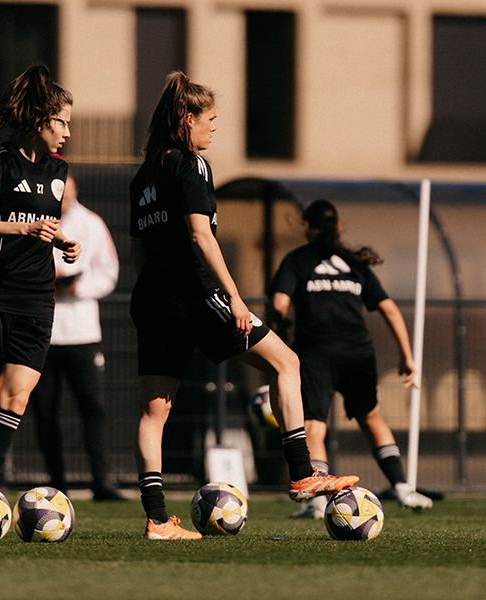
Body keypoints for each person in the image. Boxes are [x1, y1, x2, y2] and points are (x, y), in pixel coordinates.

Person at [129, 71, 358, 540]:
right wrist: (233, 296)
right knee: (286, 362)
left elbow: (138, 252)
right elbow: (200, 235)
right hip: (194, 294)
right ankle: (302, 473)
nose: (215, 128)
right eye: (210, 119)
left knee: (155, 413)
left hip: (151, 297)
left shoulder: (143, 175)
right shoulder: (191, 165)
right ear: (186, 120)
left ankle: (156, 520)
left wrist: (159, 293)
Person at [0, 64, 80, 488]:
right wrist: (21, 228)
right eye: (61, 122)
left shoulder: (58, 170)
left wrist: (62, 241)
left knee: (17, 396)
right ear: (39, 119)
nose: (66, 132)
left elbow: (42, 222)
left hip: (37, 297)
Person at [269, 199, 432, 519]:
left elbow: (278, 304)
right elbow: (388, 308)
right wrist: (407, 357)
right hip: (358, 352)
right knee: (371, 418)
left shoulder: (297, 260)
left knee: (314, 426)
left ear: (306, 227)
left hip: (315, 353)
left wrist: (281, 329)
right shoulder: (355, 263)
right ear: (339, 226)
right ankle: (402, 488)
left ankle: (316, 502)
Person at [28, 172, 126, 501]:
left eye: (68, 194)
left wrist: (77, 286)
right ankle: (57, 482)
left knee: (93, 408)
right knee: (45, 411)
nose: (64, 200)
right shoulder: (33, 221)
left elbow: (109, 271)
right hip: (43, 331)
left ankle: (102, 481)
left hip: (83, 333)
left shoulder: (91, 223)